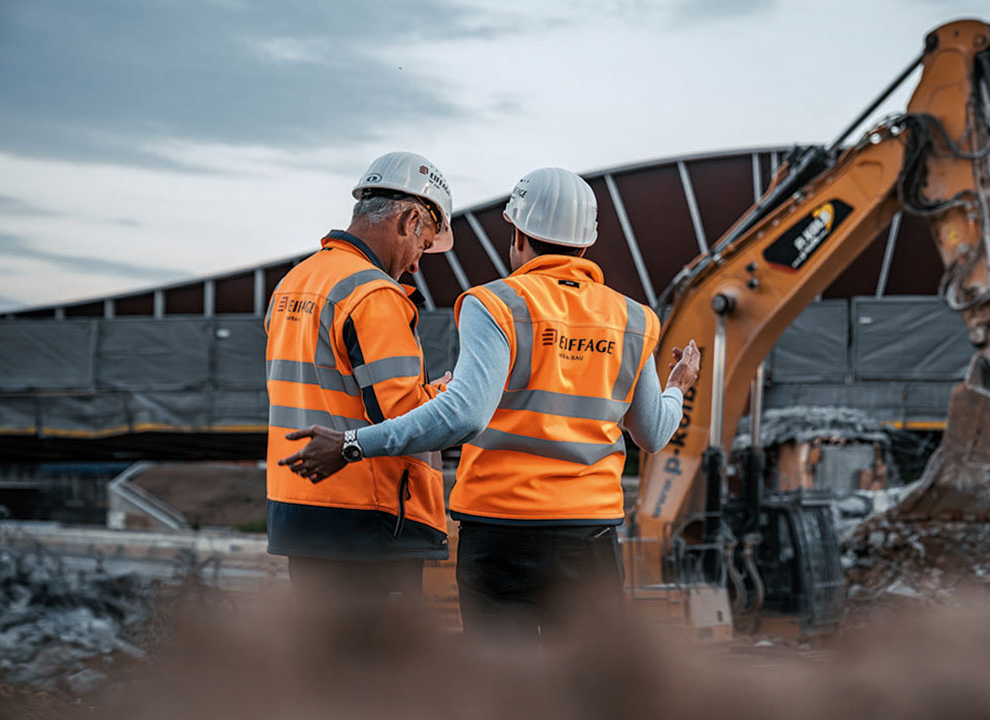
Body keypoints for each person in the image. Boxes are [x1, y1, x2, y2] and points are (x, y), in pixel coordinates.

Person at [279, 167, 702, 640]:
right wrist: (677, 387)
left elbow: (464, 414)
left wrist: (353, 444)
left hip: (500, 531)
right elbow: (654, 434)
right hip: (591, 533)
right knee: (584, 688)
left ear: (518, 235)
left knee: (502, 684)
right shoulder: (632, 319)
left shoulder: (495, 304)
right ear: (586, 245)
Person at [264, 151, 456, 606]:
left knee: (323, 663)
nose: (415, 264)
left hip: (298, 509)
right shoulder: (373, 294)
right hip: (368, 520)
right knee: (378, 671)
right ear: (410, 220)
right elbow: (406, 416)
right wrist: (452, 391)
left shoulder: (295, 283)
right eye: (424, 245)